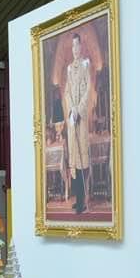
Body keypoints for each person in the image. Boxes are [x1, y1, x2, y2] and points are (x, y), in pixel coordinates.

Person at [64, 33, 92, 214]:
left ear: (81, 46)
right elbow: (67, 91)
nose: (75, 49)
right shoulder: (68, 68)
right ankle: (77, 198)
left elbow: (89, 88)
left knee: (82, 156)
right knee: (74, 156)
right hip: (73, 118)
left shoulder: (85, 64)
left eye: (77, 46)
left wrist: (79, 108)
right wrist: (72, 109)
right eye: (72, 47)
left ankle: (83, 200)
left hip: (81, 118)